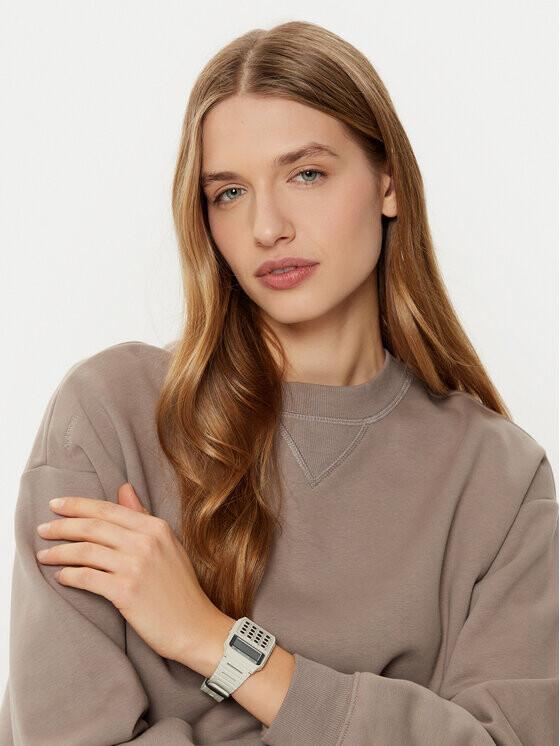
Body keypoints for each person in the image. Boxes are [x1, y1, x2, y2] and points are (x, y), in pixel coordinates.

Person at [1, 19, 557, 746]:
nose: (267, 227)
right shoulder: (112, 416)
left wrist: (213, 642)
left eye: (306, 174)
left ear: (388, 182)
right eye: (229, 193)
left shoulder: (499, 478)